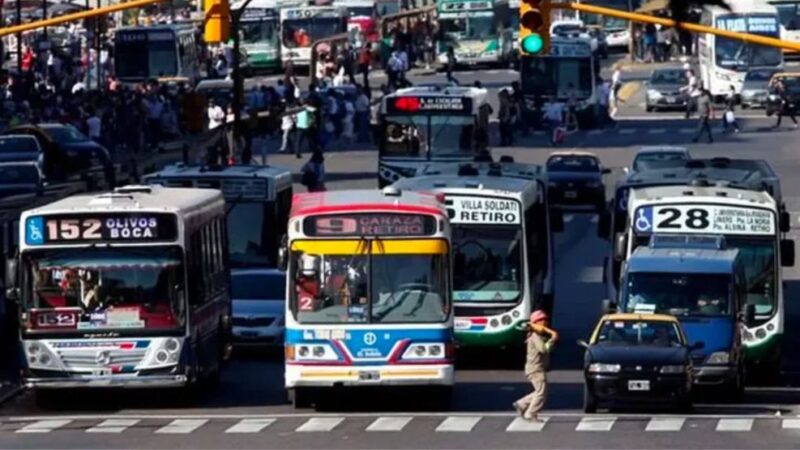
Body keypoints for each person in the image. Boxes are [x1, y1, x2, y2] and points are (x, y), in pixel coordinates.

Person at [513, 310, 559, 422]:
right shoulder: (535, 336)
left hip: (536, 368)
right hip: (536, 368)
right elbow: (543, 349)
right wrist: (552, 339)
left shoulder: (537, 335)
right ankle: (530, 413)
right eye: (543, 320)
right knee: (541, 393)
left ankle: (521, 404)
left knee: (540, 391)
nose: (545, 322)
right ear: (536, 322)